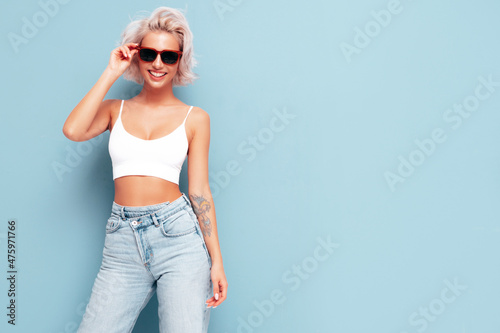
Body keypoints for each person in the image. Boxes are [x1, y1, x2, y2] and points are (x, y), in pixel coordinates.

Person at [62, 6, 227, 333]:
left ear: (180, 61)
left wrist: (217, 261)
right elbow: (73, 130)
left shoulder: (196, 118)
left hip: (179, 237)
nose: (157, 63)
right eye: (149, 53)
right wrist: (111, 72)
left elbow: (199, 191)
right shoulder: (114, 110)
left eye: (169, 56)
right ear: (136, 56)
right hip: (121, 241)